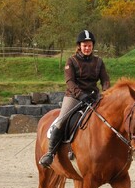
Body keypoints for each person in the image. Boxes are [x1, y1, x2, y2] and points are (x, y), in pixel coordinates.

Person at [39, 30, 110, 168]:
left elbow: (105, 80)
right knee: (61, 121)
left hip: (94, 96)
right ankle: (50, 153)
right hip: (74, 97)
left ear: (92, 46)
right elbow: (70, 82)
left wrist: (106, 92)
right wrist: (81, 95)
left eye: (89, 45)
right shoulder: (71, 61)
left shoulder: (99, 62)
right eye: (85, 45)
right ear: (79, 46)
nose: (87, 48)